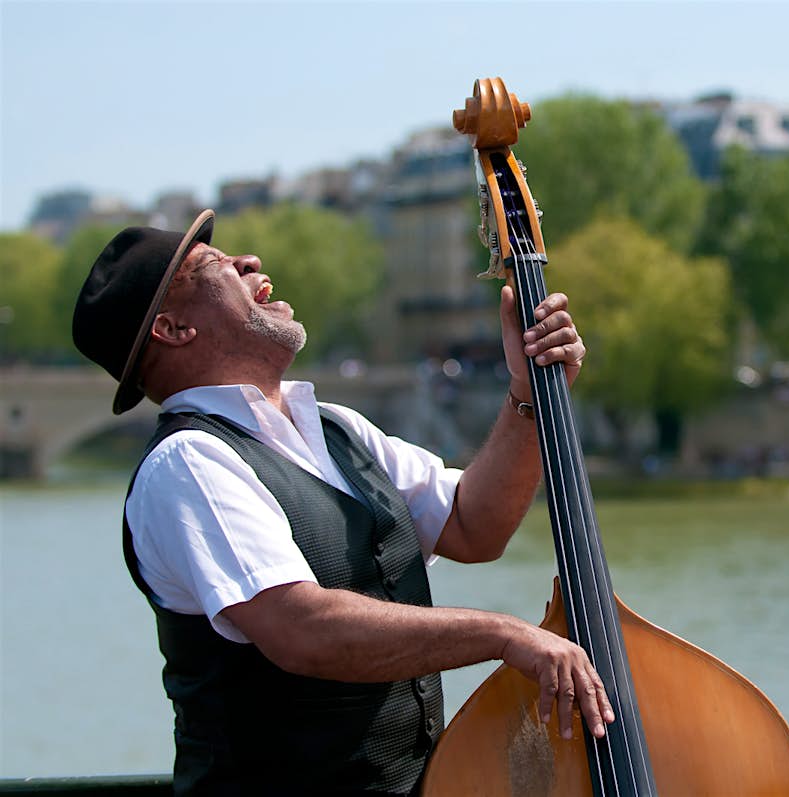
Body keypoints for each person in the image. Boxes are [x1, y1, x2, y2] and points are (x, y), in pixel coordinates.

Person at [72, 209, 614, 795]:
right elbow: (301, 628)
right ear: (173, 329)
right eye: (214, 265)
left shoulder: (337, 429)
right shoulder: (188, 465)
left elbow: (471, 525)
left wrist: (527, 394)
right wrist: (503, 634)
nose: (247, 260)